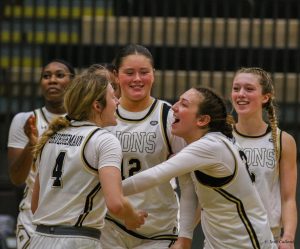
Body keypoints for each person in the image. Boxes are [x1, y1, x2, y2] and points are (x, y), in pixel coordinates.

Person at [121, 86, 277, 249]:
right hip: (216, 242)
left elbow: (156, 175)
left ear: (202, 120)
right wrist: (185, 237)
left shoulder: (211, 146)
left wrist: (107, 191)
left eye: (184, 104)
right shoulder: (200, 146)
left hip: (247, 243)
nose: (173, 107)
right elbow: (188, 190)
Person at [29, 71, 147, 249]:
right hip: (77, 240)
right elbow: (115, 203)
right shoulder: (104, 140)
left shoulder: (50, 136)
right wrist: (132, 216)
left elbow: (35, 205)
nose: (118, 102)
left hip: (38, 238)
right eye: (113, 97)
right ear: (97, 106)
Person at [100, 44, 188, 249]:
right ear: (116, 75)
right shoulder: (103, 116)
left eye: (144, 72)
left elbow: (190, 181)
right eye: (129, 73)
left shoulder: (168, 116)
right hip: (110, 227)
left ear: (154, 74)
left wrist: (185, 235)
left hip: (158, 229)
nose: (137, 79)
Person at [7, 59, 75, 249]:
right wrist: (31, 144)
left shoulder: (83, 121)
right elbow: (16, 178)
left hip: (72, 217)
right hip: (33, 219)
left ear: (73, 82)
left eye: (59, 75)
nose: (52, 80)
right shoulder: (25, 120)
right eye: (46, 76)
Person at [231, 67, 297, 248]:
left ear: (265, 97)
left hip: (267, 237)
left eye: (249, 89)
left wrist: (288, 236)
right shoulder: (219, 138)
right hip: (224, 237)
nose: (241, 94)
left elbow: (288, 198)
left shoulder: (283, 141)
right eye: (236, 89)